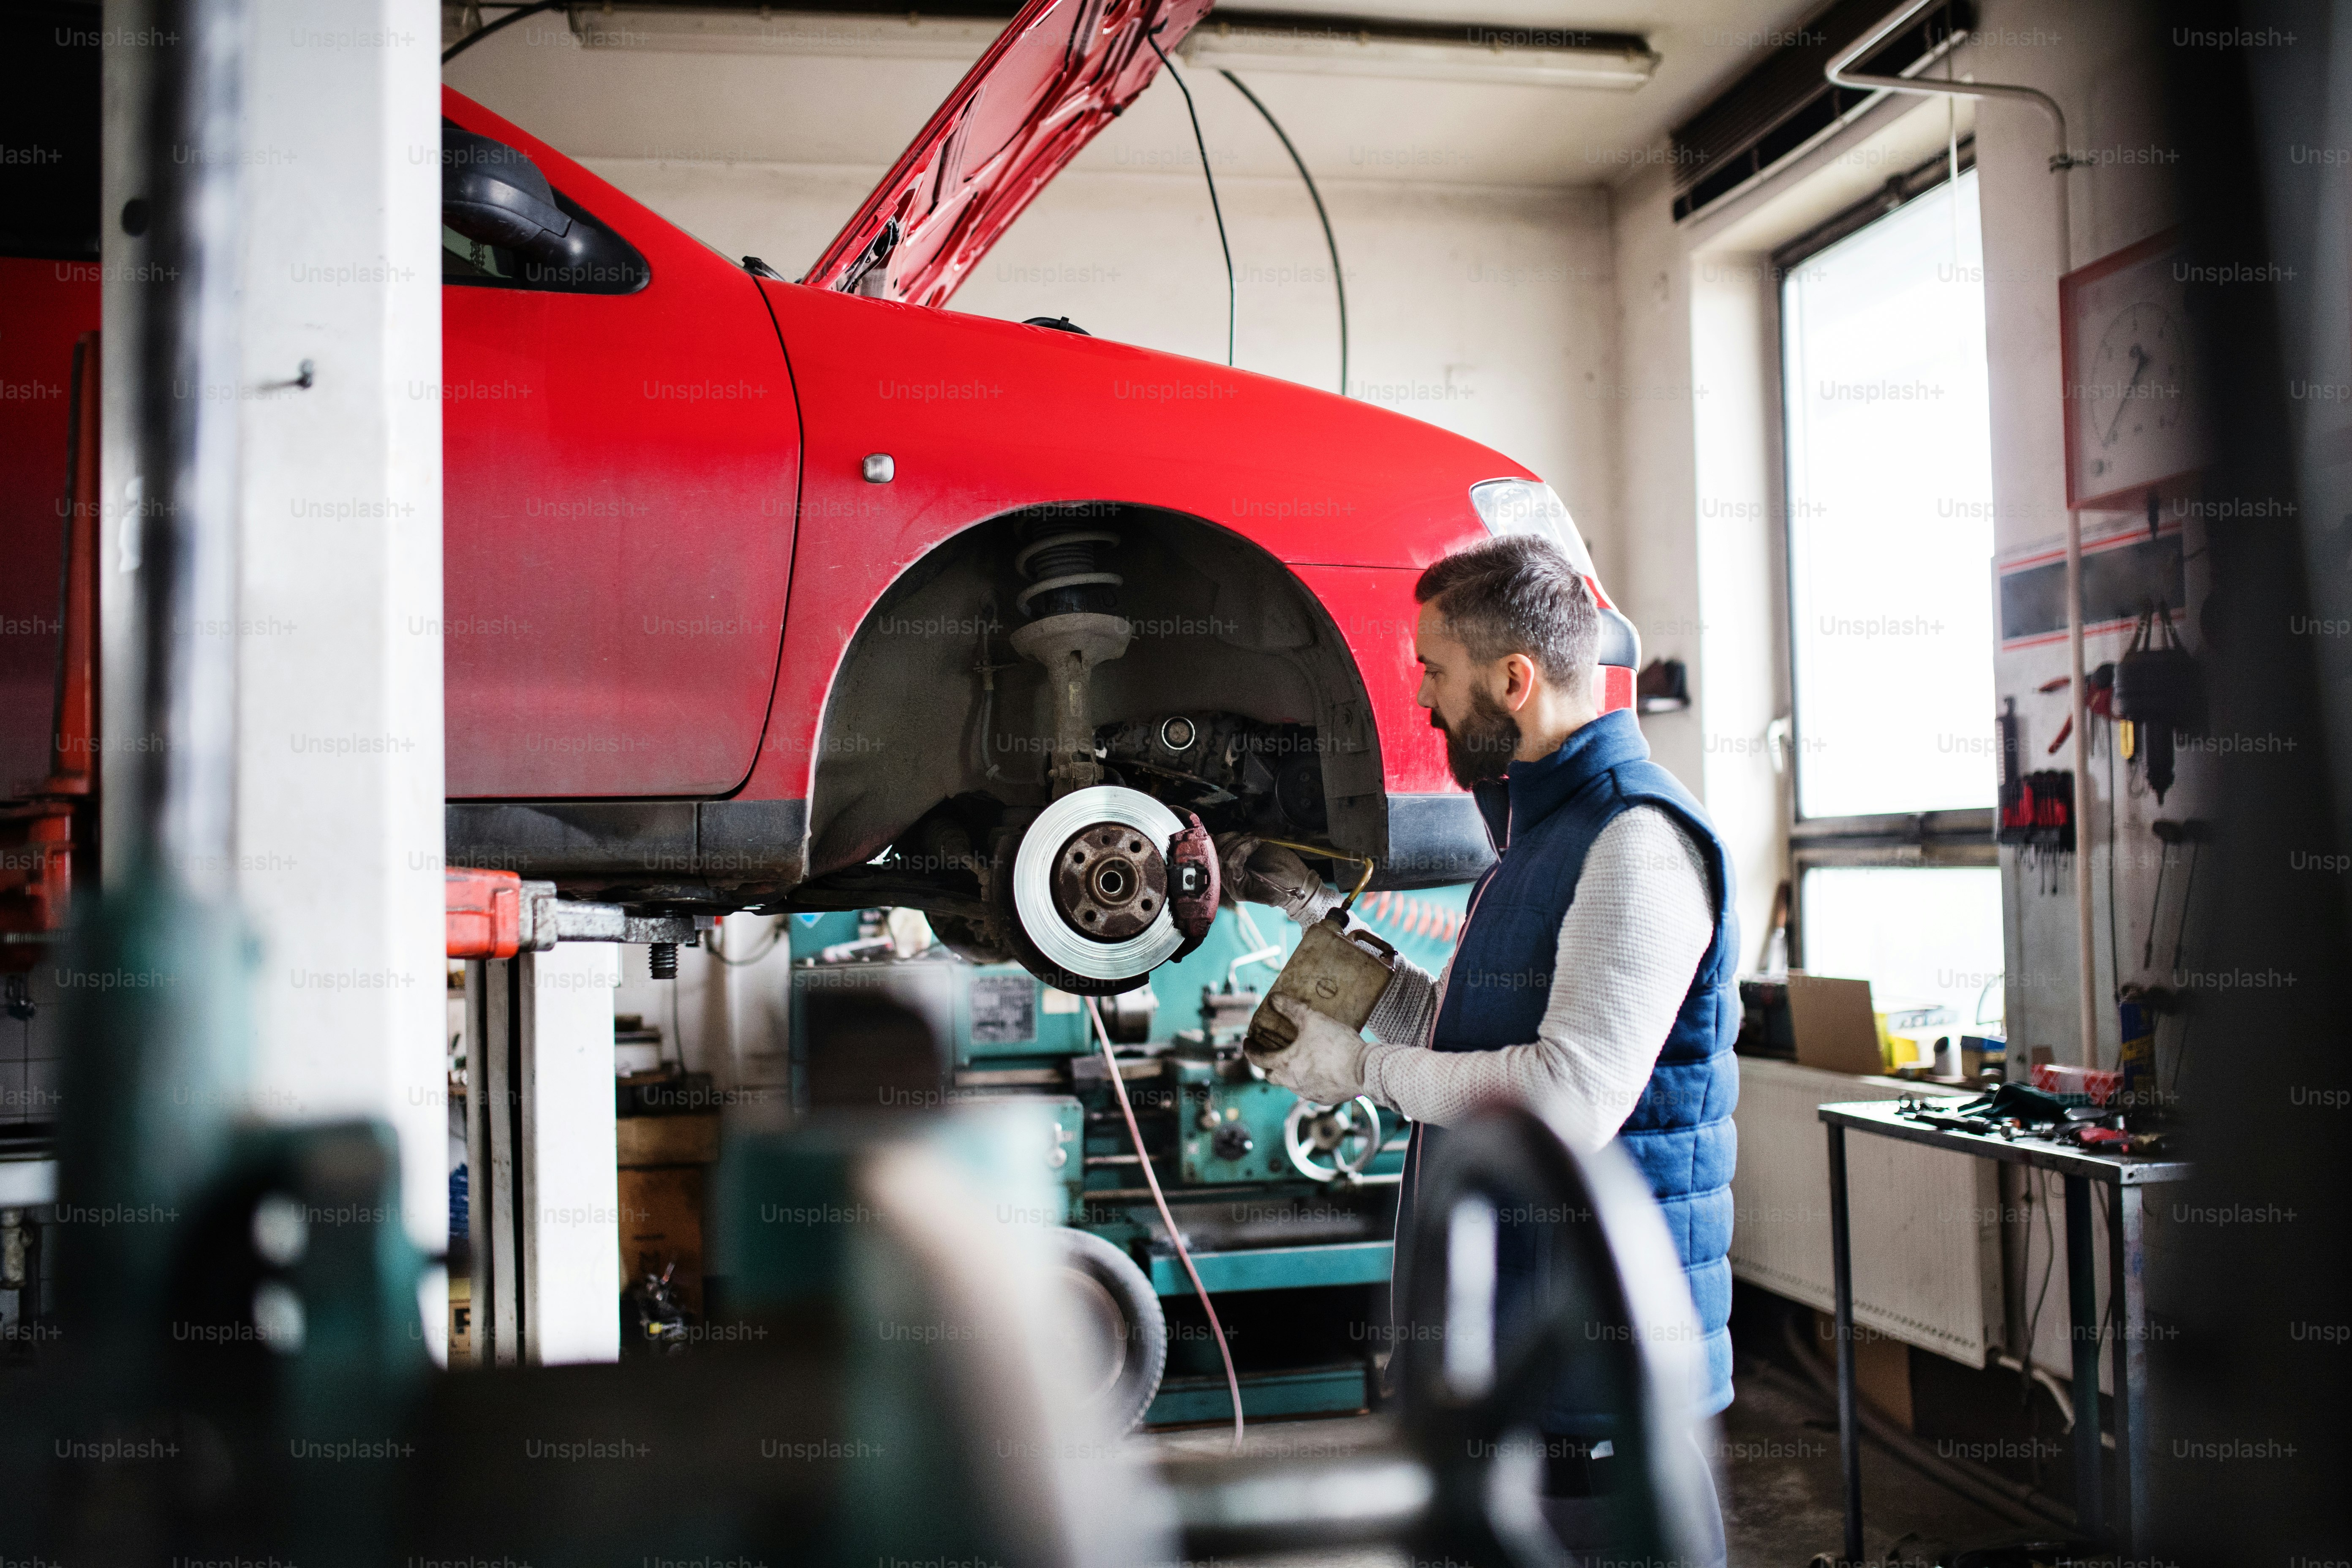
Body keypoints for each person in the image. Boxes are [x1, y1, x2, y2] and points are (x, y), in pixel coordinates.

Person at [1217, 533, 1738, 1563]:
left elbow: (1568, 1096)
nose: (1422, 698)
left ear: (1514, 678)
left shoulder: (1636, 841)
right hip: (1523, 1358)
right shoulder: (1541, 836)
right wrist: (1320, 916)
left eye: (1435, 671)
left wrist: (1357, 1072)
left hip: (1596, 1389)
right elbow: (1470, 1035)